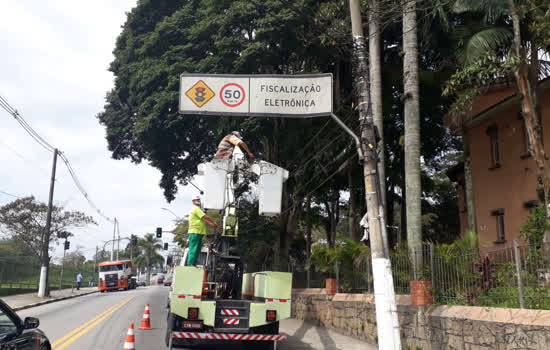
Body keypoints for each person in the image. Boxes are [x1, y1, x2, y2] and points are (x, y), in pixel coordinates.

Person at [187, 195, 218, 266]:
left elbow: (203, 220)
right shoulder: (196, 209)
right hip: (194, 232)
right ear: (193, 201)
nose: (198, 201)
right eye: (196, 200)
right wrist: (213, 222)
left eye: (198, 200)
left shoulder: (198, 210)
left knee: (197, 249)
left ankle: (193, 263)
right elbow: (205, 216)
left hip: (199, 232)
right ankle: (190, 263)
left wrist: (212, 224)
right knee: (193, 248)